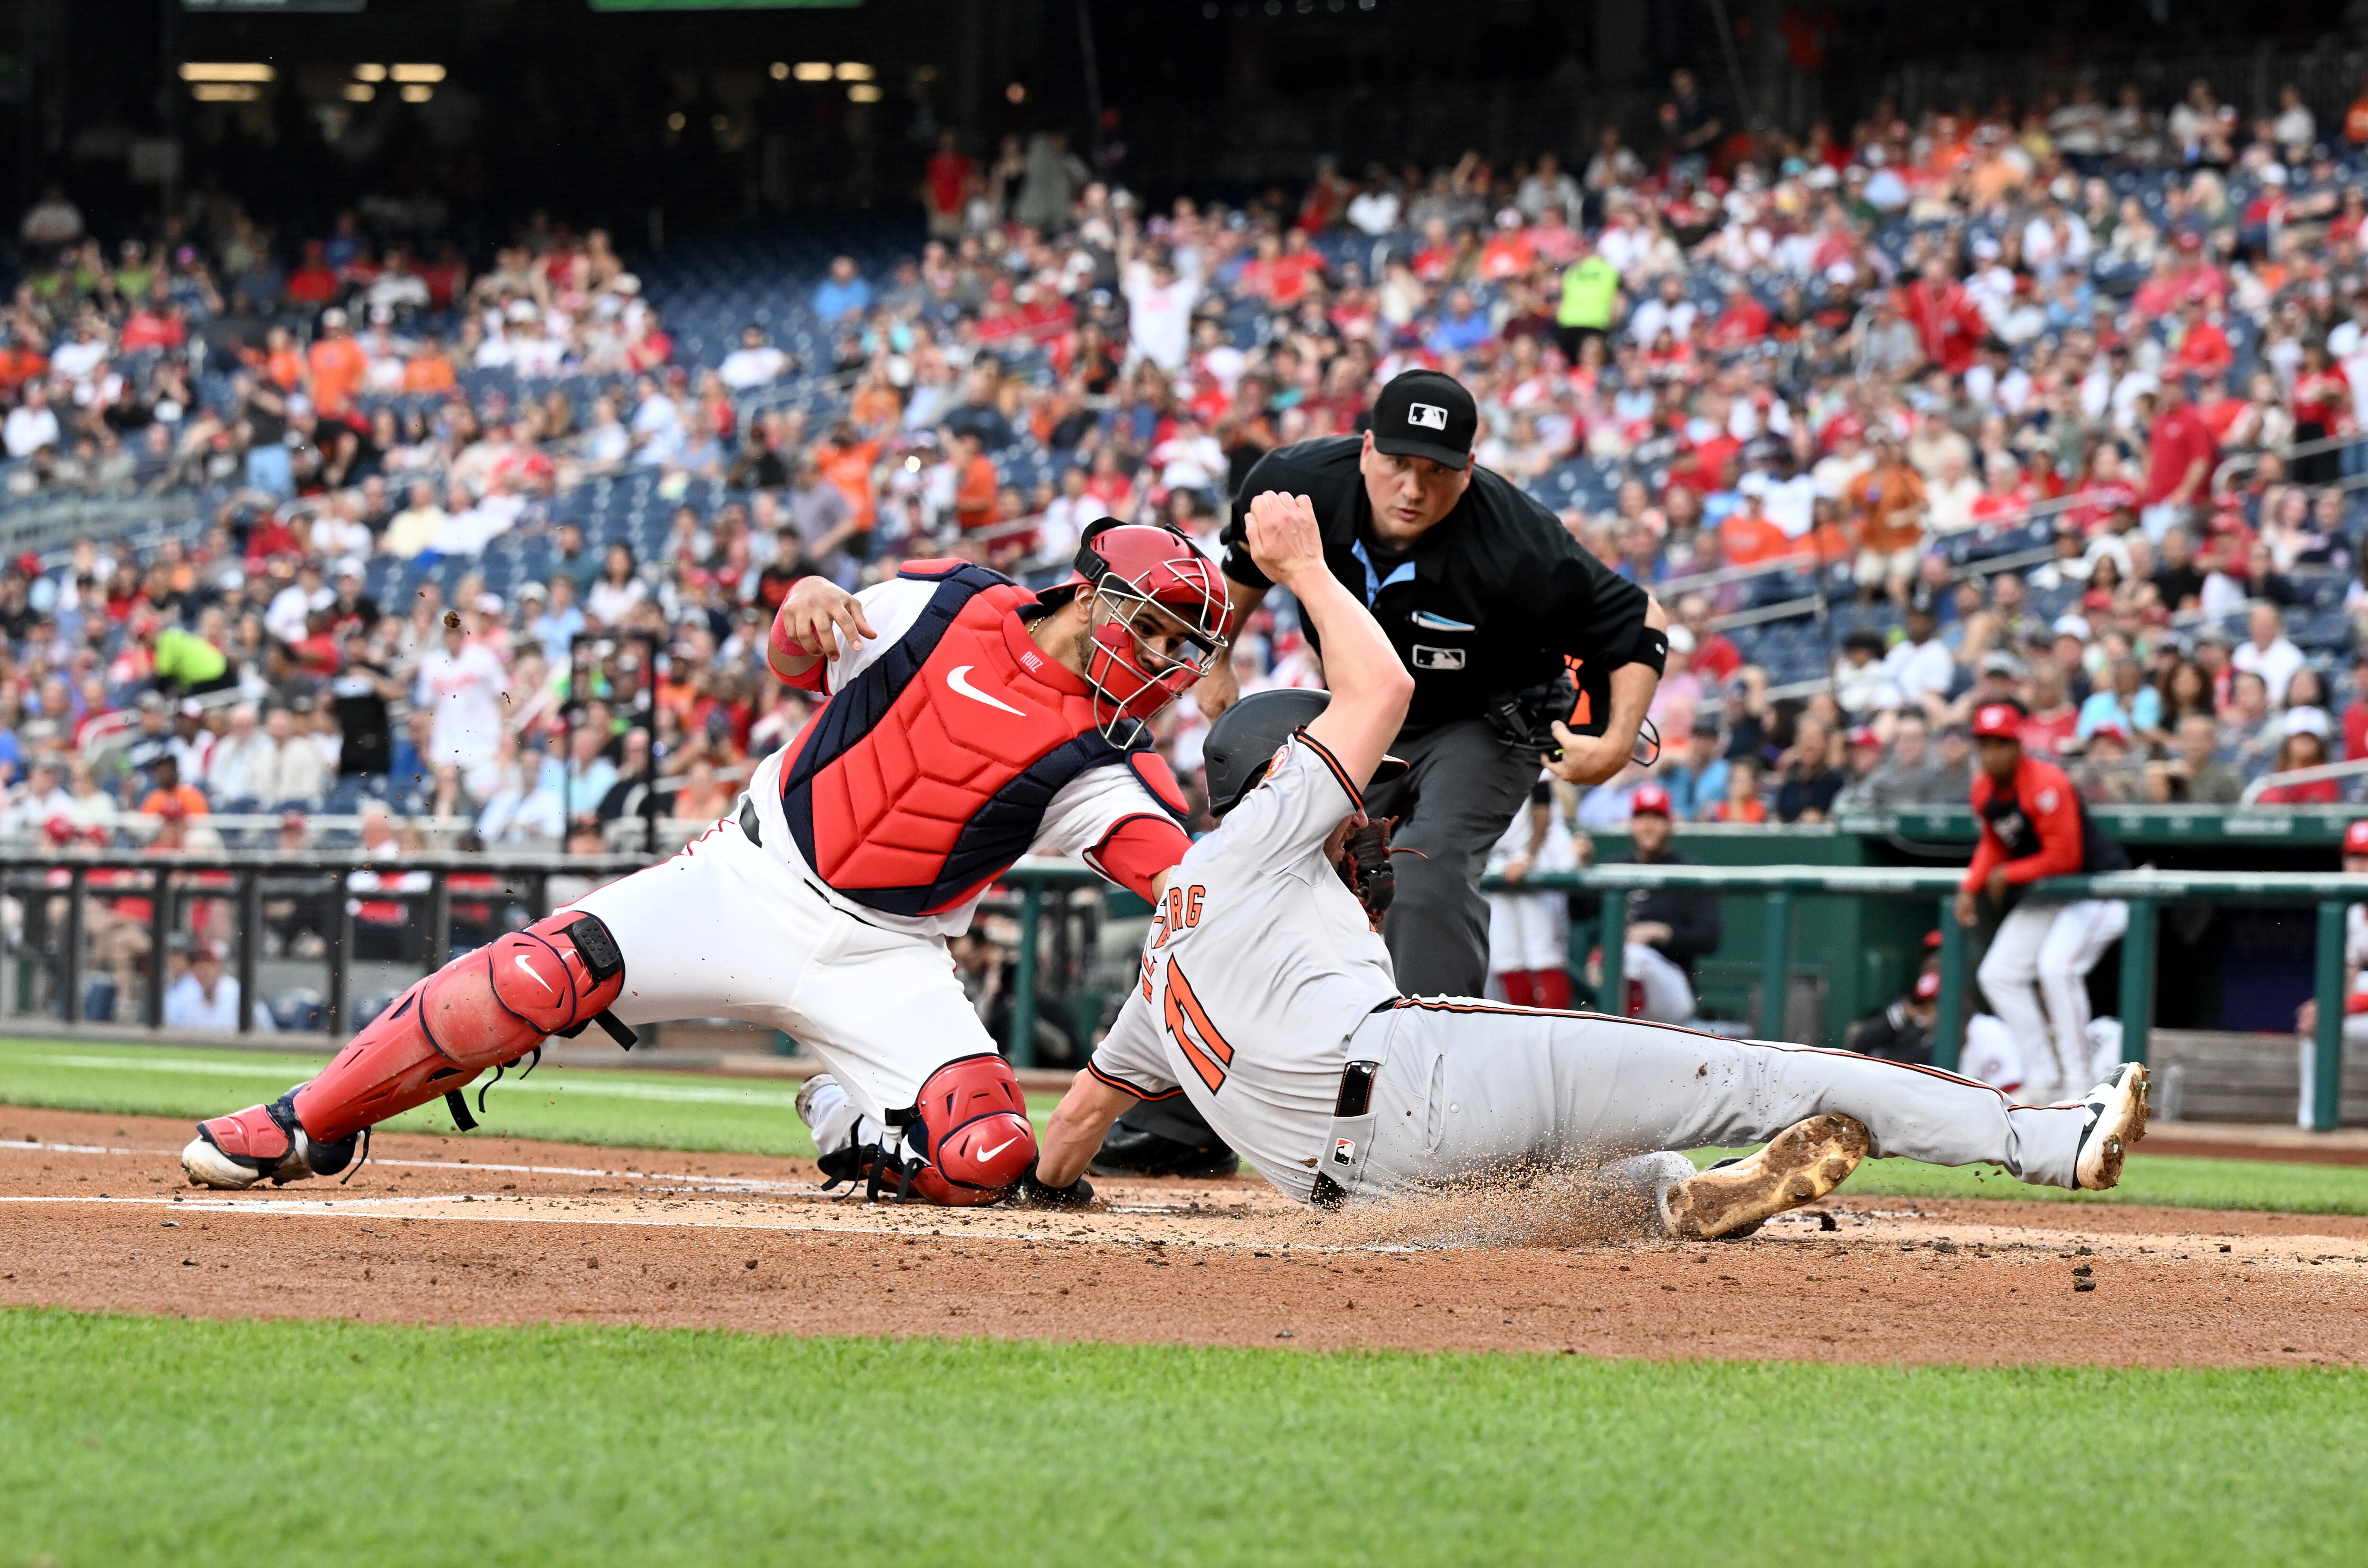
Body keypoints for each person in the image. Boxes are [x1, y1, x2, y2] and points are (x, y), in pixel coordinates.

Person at [1029, 490, 2152, 1232]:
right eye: (1350, 792)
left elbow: (1072, 1132)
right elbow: (1384, 690)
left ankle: (1677, 1200)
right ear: (1277, 778)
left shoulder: (1166, 950)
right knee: (1760, 1078)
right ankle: (2046, 1139)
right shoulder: (1268, 832)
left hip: (1366, 1201)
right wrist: (1308, 570)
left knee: (1582, 1196)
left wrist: (1035, 1188)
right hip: (1416, 1072)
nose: (1368, 807)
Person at [181, 525, 1231, 1206]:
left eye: (1179, 650)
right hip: (744, 878)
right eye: (1154, 631)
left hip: (889, 955)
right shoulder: (943, 599)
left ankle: (847, 1114)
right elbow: (793, 662)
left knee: (986, 1156)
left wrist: (1266, 860)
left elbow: (1178, 877)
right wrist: (800, 605)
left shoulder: (1110, 760)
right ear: (1091, 596)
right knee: (533, 977)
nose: (1162, 665)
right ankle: (303, 1119)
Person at [1099, 367, 1668, 1176]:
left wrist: (1612, 744)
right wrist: (1219, 654)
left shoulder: (1517, 544)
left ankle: (1437, 1120)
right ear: (1366, 449)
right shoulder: (1296, 486)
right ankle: (1186, 1117)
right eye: (1398, 461)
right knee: (1255, 870)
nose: (1413, 485)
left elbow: (1637, 622)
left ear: (1468, 471)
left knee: (1424, 875)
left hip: (1487, 721)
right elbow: (1242, 571)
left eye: (1438, 470)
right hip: (1364, 714)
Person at [1956, 699, 2132, 1104]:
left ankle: (2080, 1084)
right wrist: (1972, 884)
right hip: (2052, 894)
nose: (1991, 752)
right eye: (1984, 743)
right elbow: (1994, 842)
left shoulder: (2047, 781)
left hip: (2099, 887)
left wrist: (2008, 874)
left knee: (2056, 968)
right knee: (1998, 973)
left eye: (2000, 743)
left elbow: (2065, 856)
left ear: (2018, 745)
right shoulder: (1984, 787)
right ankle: (2044, 1074)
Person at [1601, 784, 1719, 1025]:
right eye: (1642, 817)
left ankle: (1620, 1031)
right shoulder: (1615, 867)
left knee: (1634, 955)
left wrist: (1660, 932)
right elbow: (1578, 912)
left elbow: (1710, 937)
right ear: (1631, 823)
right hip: (1618, 975)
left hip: (1675, 991)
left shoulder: (1688, 871)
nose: (1648, 825)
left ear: (1670, 823)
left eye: (1657, 817)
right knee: (1613, 958)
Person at [1485, 779, 1577, 1009]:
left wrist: (1530, 857)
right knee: (1507, 959)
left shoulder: (1526, 745)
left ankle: (1556, 1033)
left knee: (1545, 955)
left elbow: (1542, 802)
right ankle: (1525, 1034)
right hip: (1497, 859)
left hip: (1541, 856)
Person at [165, 942, 273, 1033]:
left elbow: (266, 1030)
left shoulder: (238, 993)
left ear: (218, 967)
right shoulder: (190, 996)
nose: (203, 972)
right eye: (198, 966)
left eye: (207, 965)